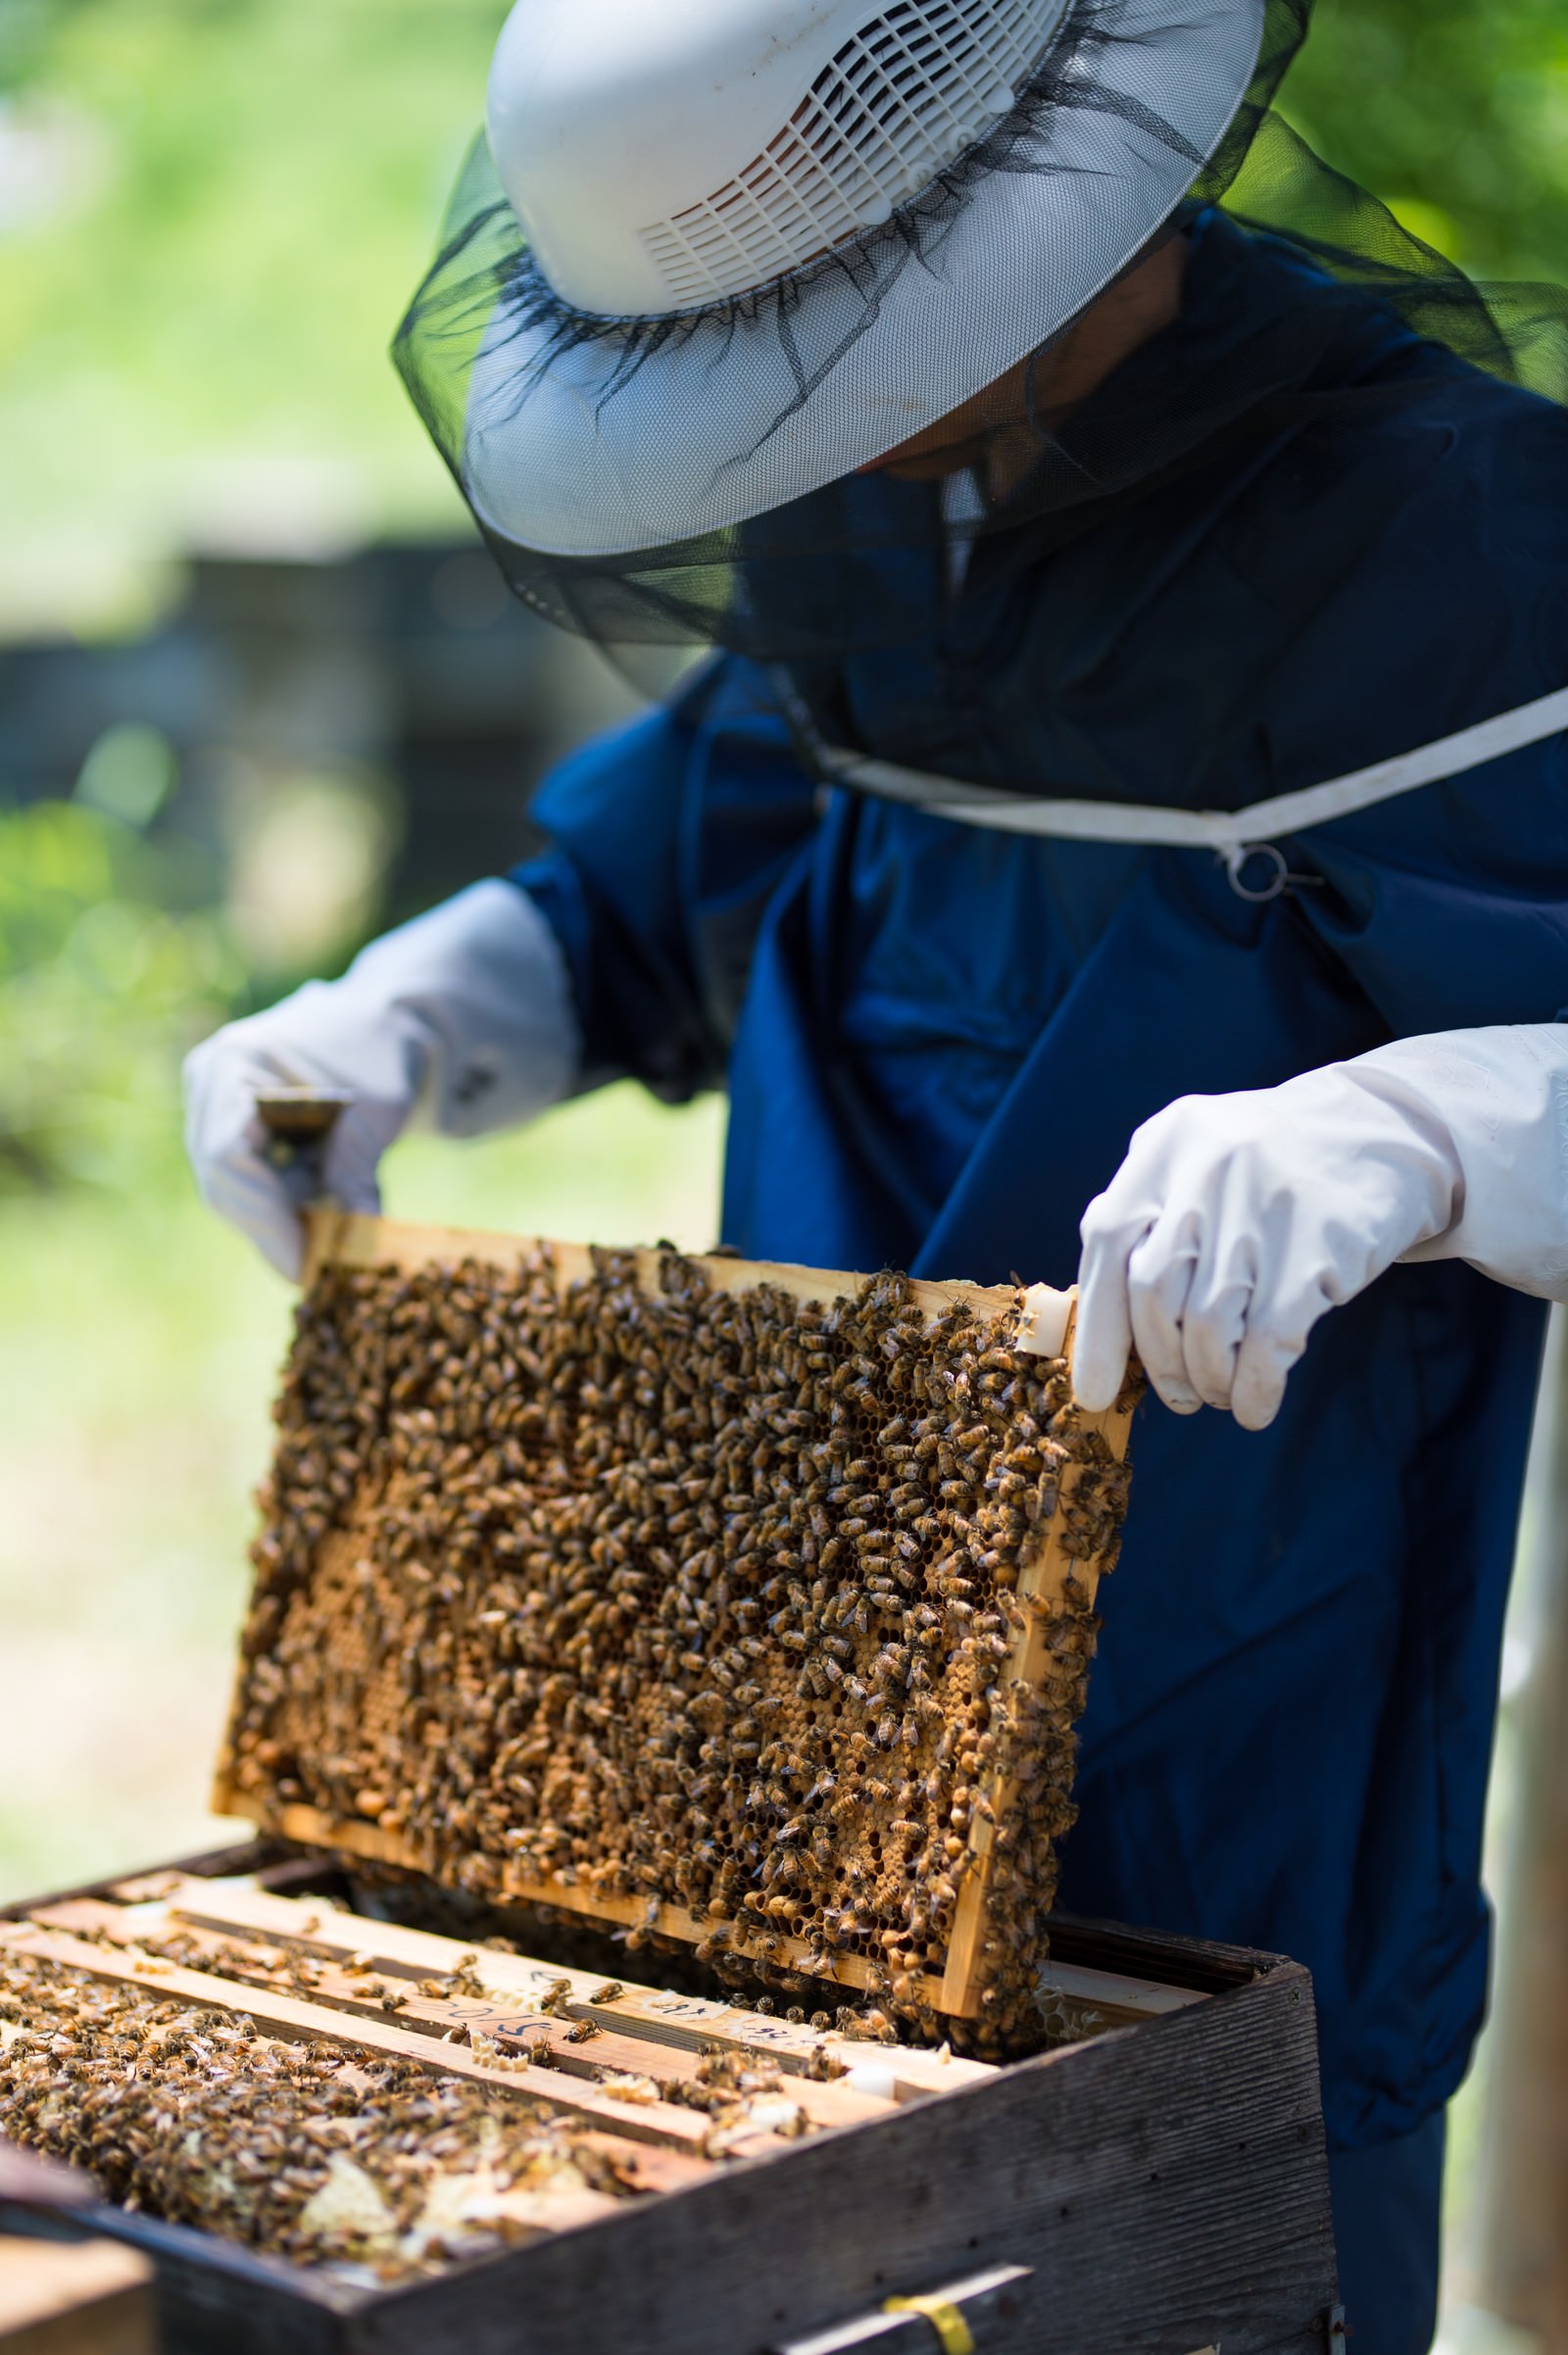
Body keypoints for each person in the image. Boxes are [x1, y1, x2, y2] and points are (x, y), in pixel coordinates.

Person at [183, 0, 1568, 2343]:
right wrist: (412, 1006)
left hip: (1245, 1671)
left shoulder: (1453, 532)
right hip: (777, 1684)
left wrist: (1424, 1127)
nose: (785, 430)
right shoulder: (878, 500)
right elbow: (698, 861)